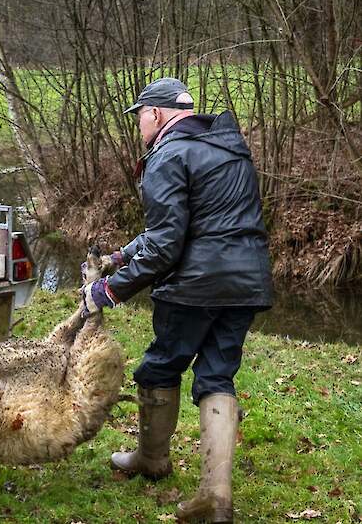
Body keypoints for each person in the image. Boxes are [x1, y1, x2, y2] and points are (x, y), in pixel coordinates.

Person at [81, 78, 273, 523]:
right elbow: (188, 222)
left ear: (156, 113)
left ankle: (152, 460)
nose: (139, 127)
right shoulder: (227, 146)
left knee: (161, 366)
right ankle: (217, 497)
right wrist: (121, 255)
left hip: (196, 284)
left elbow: (167, 244)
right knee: (217, 376)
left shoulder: (167, 155)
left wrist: (109, 289)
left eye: (140, 117)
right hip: (247, 280)